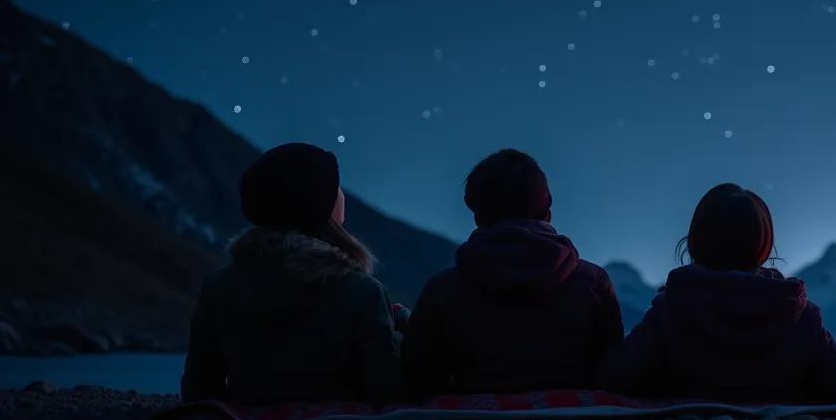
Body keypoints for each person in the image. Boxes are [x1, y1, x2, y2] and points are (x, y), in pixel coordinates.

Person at [181, 143, 406, 406]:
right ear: (321, 205)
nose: (342, 194)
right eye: (336, 187)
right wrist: (403, 334)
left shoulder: (218, 286)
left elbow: (199, 389)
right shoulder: (363, 292)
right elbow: (386, 392)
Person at [598, 183, 836, 403]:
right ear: (763, 244)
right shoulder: (801, 313)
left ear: (696, 239)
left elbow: (618, 378)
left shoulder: (671, 308)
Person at [402, 149, 623, 399]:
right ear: (547, 213)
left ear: (476, 217)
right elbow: (613, 369)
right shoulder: (593, 281)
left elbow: (420, 377)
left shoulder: (442, 288)